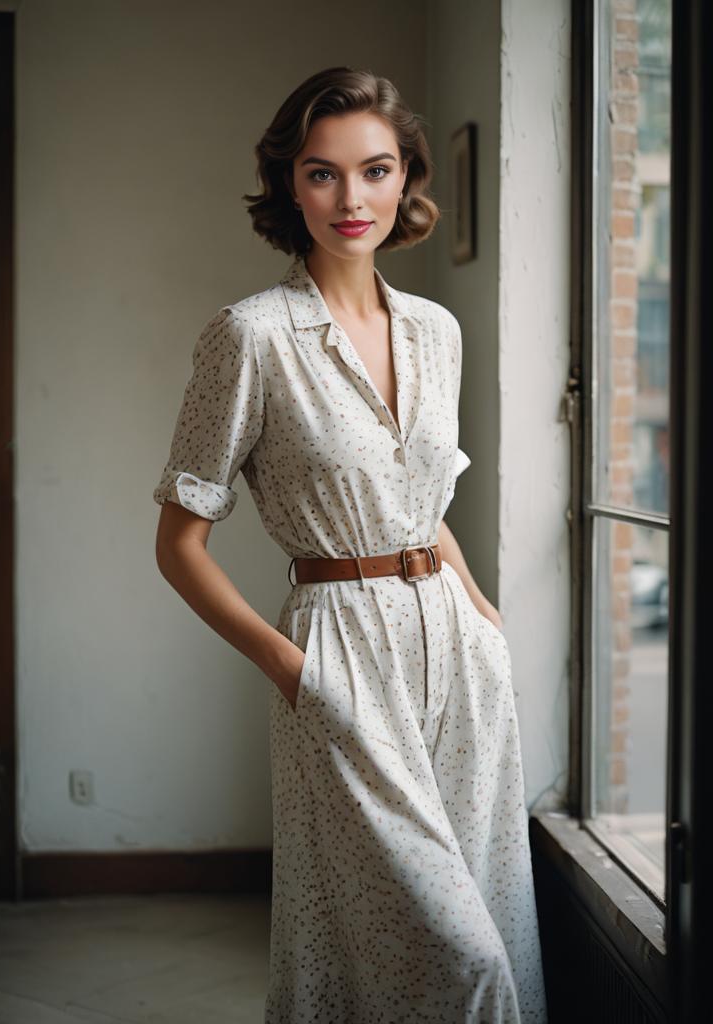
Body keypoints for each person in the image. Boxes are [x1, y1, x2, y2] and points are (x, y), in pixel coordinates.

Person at [153, 66, 548, 1023]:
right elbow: (179, 543)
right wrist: (294, 670)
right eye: (323, 174)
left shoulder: (435, 332)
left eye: (375, 170)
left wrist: (481, 612)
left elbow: (417, 502)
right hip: (340, 655)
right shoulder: (249, 337)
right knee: (461, 961)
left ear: (406, 175)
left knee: (480, 927)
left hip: (456, 650)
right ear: (291, 185)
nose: (351, 198)